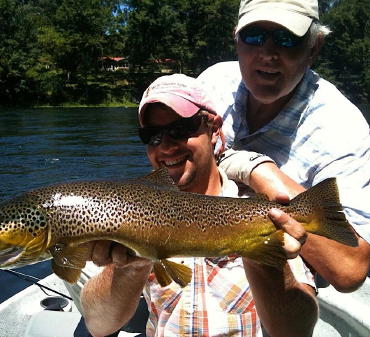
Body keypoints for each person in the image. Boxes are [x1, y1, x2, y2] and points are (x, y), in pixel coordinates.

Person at [80, 74, 318, 337]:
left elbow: (296, 331)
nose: (167, 146)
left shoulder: (261, 214)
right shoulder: (129, 215)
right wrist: (130, 266)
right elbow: (98, 325)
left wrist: (266, 262)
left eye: (180, 130)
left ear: (214, 130)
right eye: (152, 136)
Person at [198, 0, 370, 292]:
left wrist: (265, 175)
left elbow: (349, 268)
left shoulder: (344, 129)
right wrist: (246, 167)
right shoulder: (212, 85)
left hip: (275, 278)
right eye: (254, 37)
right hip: (194, 249)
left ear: (314, 48)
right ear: (236, 39)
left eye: (286, 38)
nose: (267, 54)